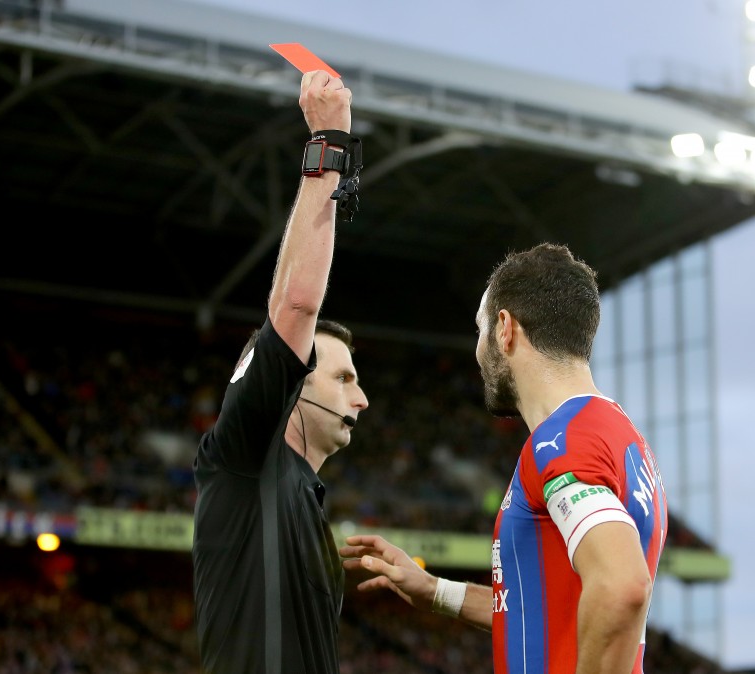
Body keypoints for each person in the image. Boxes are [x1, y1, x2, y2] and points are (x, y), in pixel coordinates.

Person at [341, 243, 669, 674]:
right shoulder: (618, 437)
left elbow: (622, 587)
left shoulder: (564, 442)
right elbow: (540, 611)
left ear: (504, 329)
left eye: (479, 330)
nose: (477, 352)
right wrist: (434, 590)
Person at [191, 69, 368, 674]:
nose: (362, 398)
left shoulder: (301, 496)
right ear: (292, 387)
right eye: (343, 379)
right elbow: (293, 308)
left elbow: (281, 310)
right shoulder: (246, 458)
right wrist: (329, 145)